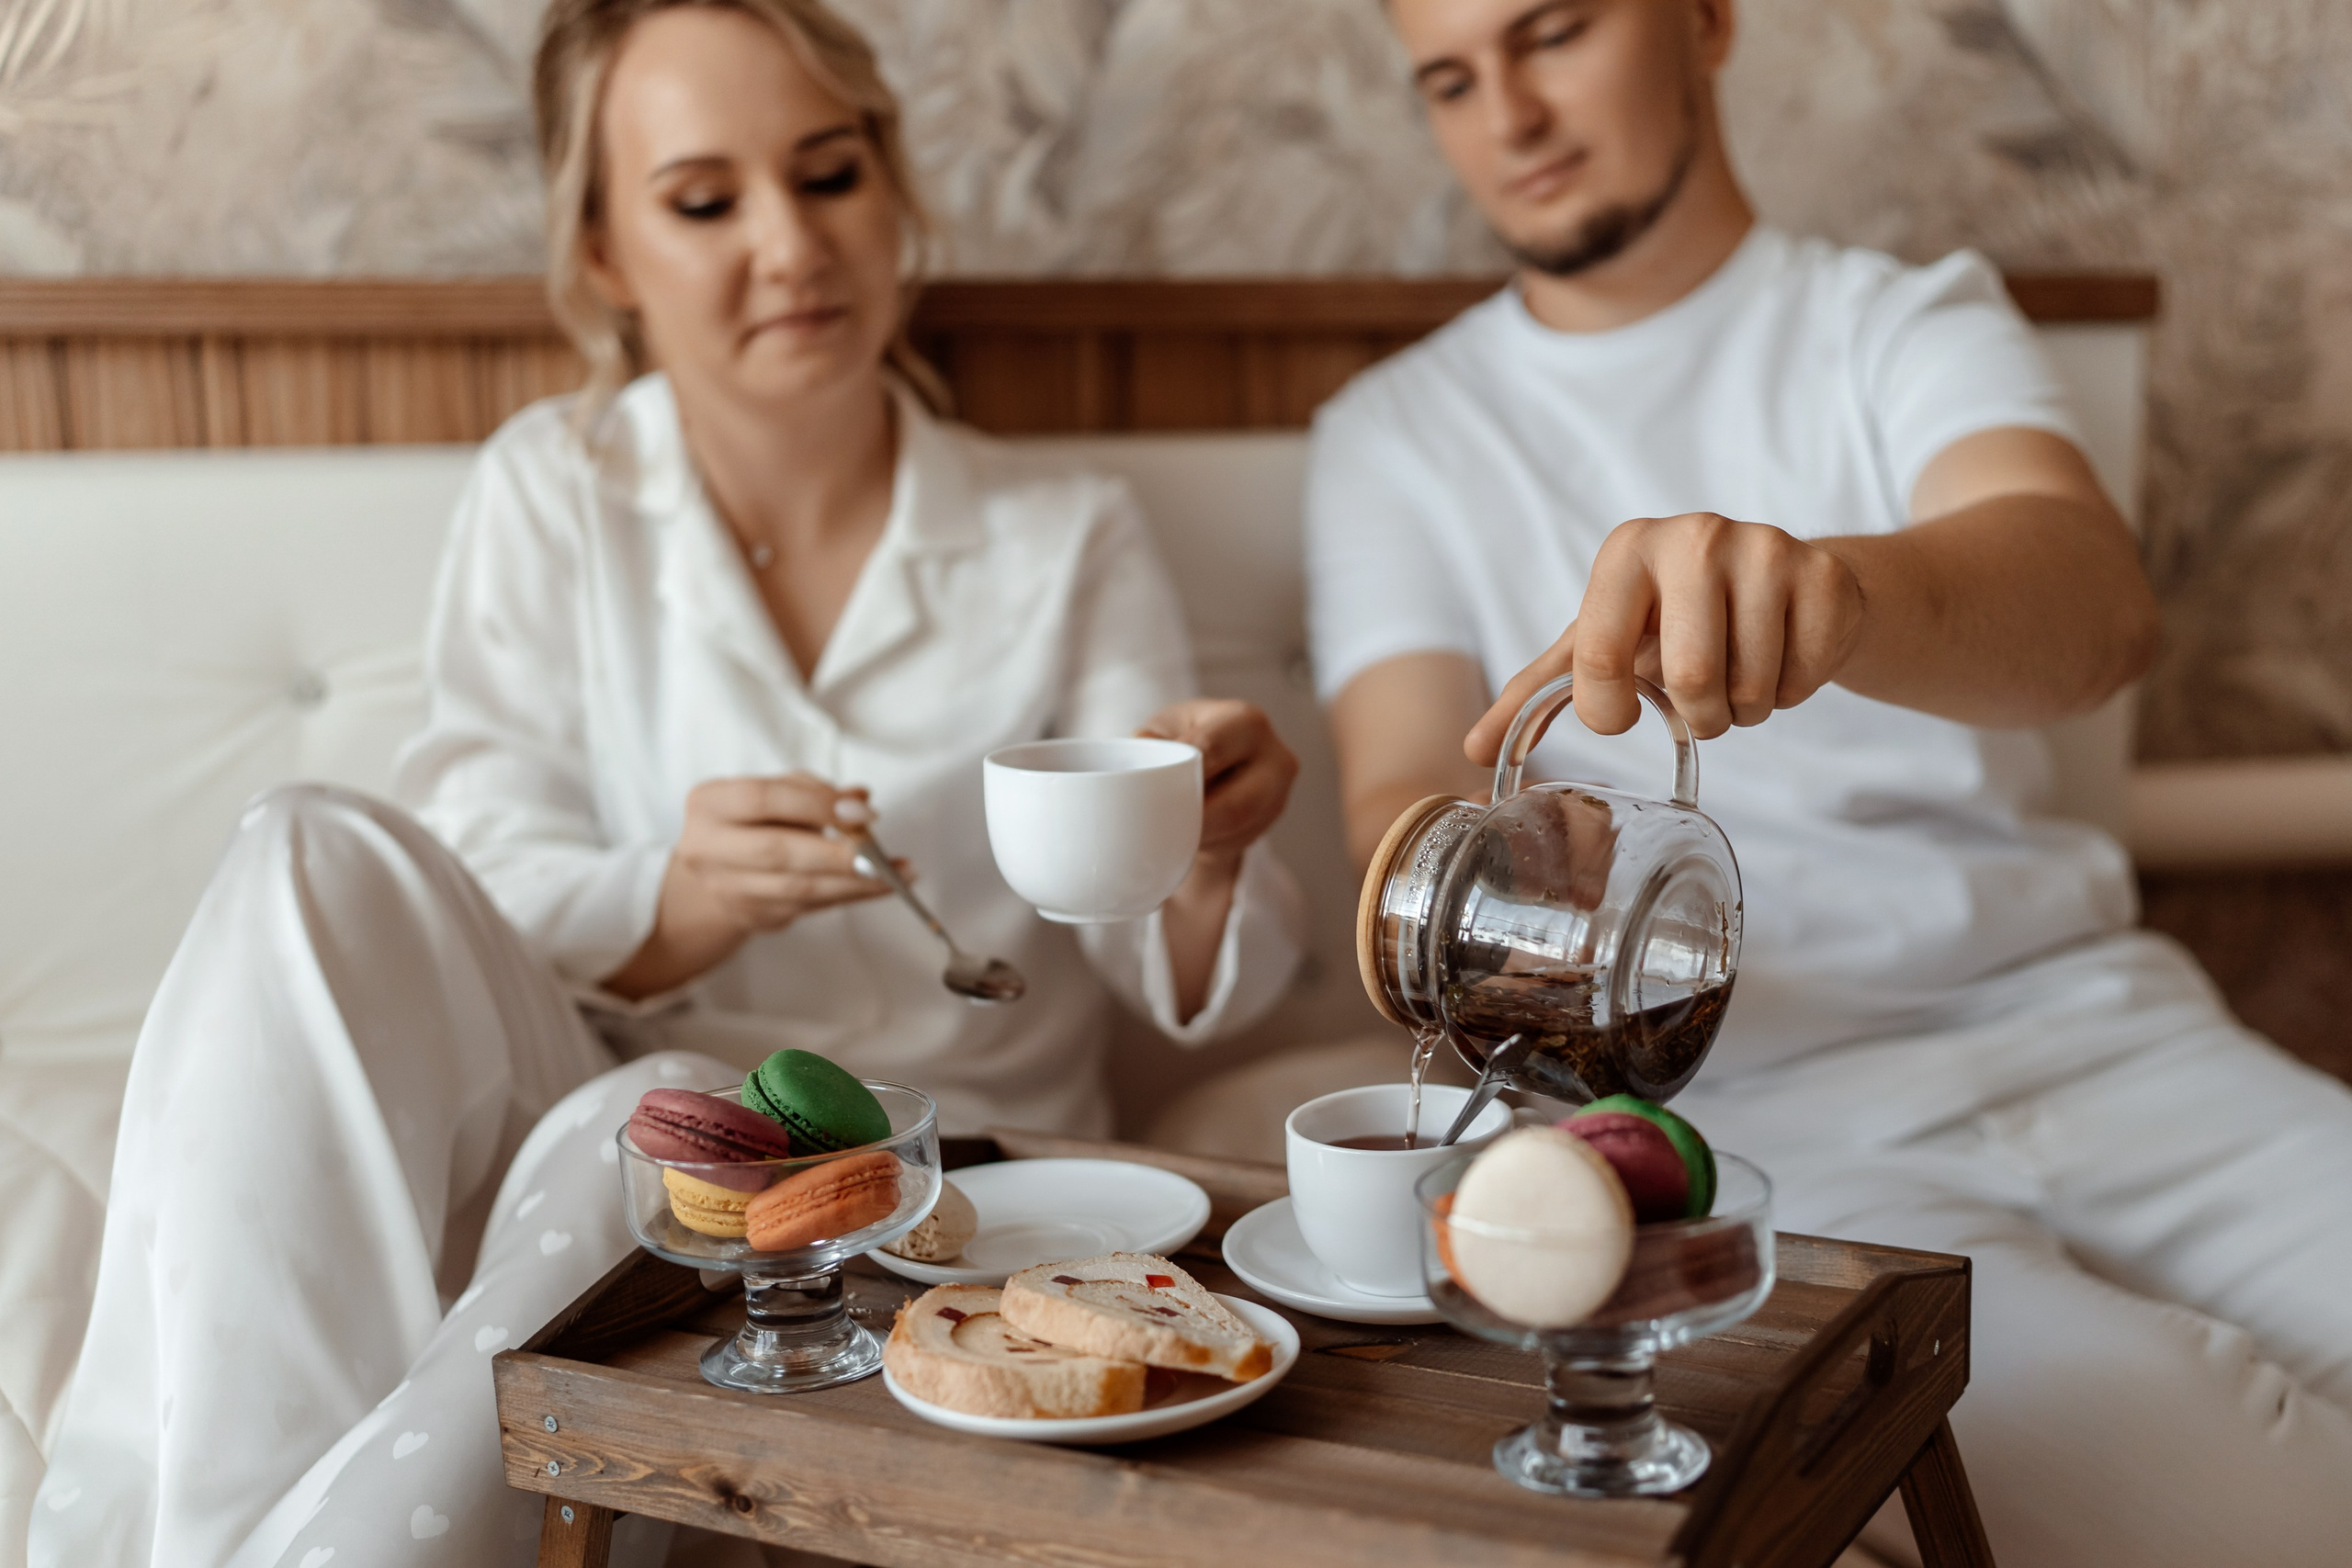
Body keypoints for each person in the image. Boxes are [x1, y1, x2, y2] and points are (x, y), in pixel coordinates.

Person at [30, 4, 1302, 1564]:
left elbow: (1137, 919)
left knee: (639, 1117)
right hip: (609, 1120)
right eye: (705, 202)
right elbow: (480, 866)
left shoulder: (1064, 532)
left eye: (828, 176)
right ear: (611, 255)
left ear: (892, 194)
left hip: (939, 1180)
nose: (790, 244)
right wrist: (672, 901)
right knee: (307, 849)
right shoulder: (554, 496)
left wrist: (1211, 841)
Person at [1308, 2, 2352, 1564]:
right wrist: (1522, 851)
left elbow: (2091, 612)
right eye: (1452, 80)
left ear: (1705, 21)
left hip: (2099, 1034)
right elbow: (1393, 802)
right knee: (2252, 1510)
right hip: (1772, 1118)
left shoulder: (1903, 320)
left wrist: (1842, 594)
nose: (1510, 114)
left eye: (1555, 33)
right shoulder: (1394, 436)